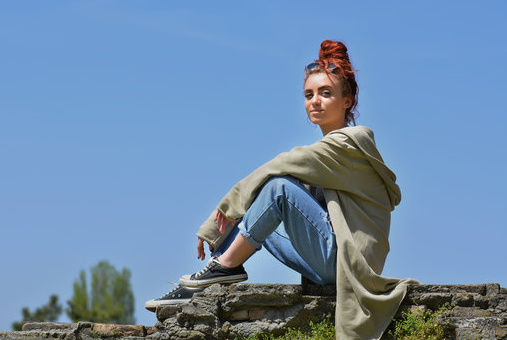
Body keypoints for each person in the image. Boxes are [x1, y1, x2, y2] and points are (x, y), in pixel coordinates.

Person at [145, 40, 418, 339]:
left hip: (344, 264)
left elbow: (280, 165)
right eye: (309, 94)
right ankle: (212, 275)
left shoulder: (350, 144)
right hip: (328, 262)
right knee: (260, 206)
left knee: (277, 188)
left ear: (347, 101)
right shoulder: (327, 153)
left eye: (326, 94)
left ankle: (222, 268)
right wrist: (228, 224)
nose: (315, 101)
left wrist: (220, 216)